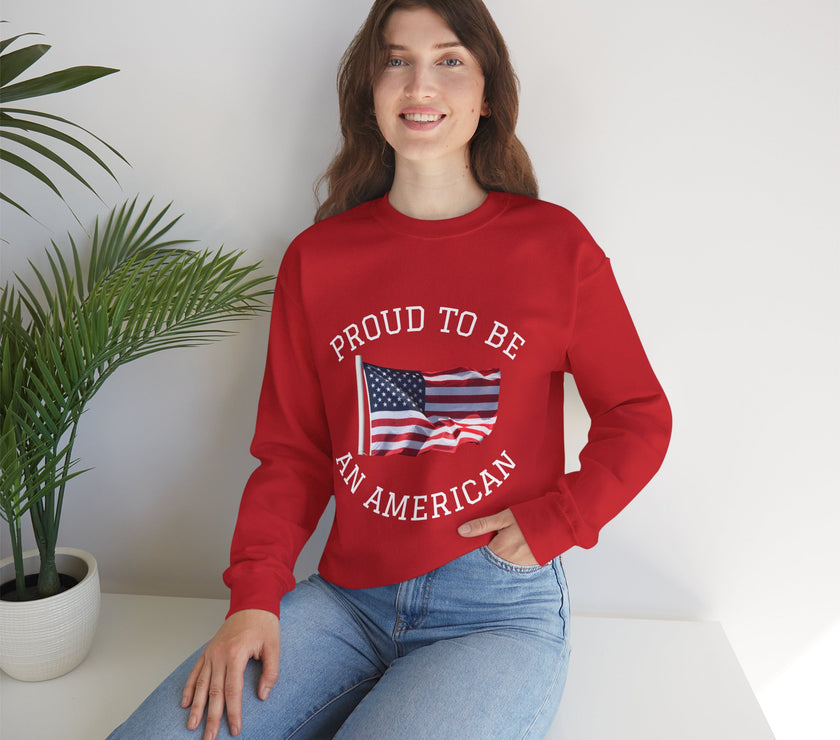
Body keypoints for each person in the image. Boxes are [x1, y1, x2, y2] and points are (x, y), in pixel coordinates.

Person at [108, 1, 671, 738]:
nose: (418, 83)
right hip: (347, 599)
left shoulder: (554, 247)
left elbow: (638, 414)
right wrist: (255, 595)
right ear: (369, 93)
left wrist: (557, 521)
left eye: (448, 59)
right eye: (395, 60)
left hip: (494, 609)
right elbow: (292, 453)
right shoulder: (319, 259)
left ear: (487, 95)